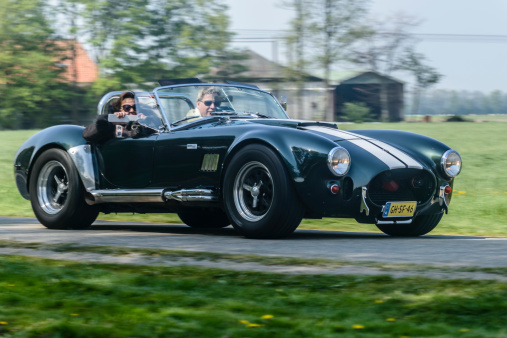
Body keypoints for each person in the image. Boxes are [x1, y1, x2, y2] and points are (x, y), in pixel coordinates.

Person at [83, 91, 156, 143]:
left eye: (135, 107)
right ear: (119, 108)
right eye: (127, 107)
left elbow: (154, 134)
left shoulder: (145, 123)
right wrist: (110, 120)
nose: (131, 110)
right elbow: (87, 135)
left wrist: (146, 122)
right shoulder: (110, 125)